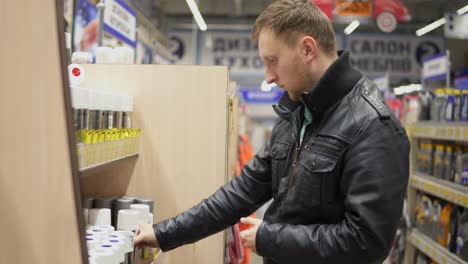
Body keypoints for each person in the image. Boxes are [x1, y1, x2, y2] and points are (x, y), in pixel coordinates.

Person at [134, 0, 410, 263]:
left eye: (272, 61)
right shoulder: (296, 112)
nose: (268, 76)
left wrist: (271, 237)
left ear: (307, 49)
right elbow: (240, 193)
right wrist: (163, 233)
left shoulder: (373, 126)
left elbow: (367, 242)